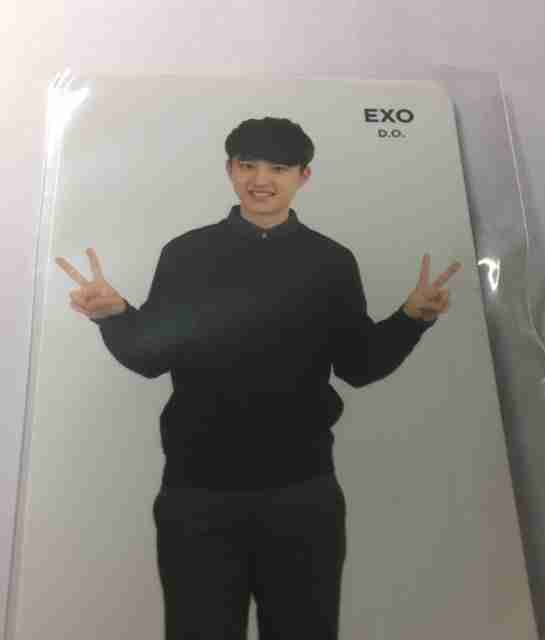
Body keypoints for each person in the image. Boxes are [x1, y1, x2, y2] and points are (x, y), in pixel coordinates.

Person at [56, 117, 462, 640]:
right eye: (248, 165)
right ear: (230, 170)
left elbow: (359, 366)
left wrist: (411, 319)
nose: (261, 179)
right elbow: (150, 356)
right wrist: (113, 315)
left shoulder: (330, 262)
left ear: (303, 176)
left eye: (279, 167)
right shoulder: (187, 254)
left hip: (303, 494)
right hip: (197, 495)